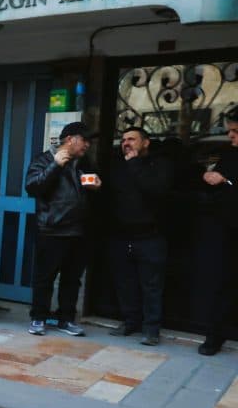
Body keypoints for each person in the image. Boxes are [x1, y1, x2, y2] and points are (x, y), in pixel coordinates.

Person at [25, 121, 99, 337]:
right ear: (70, 139)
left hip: (79, 231)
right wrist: (55, 165)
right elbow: (33, 187)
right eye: (84, 141)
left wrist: (97, 186)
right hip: (51, 229)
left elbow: (92, 189)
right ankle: (38, 318)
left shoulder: (84, 163)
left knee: (72, 279)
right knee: (44, 278)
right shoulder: (44, 159)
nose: (87, 145)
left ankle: (65, 319)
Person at [104, 127, 172, 346]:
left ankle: (151, 329)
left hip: (150, 237)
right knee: (125, 283)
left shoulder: (159, 165)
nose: (126, 143)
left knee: (152, 286)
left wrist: (134, 164)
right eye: (123, 140)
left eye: (132, 139)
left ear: (146, 142)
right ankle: (130, 321)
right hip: (121, 236)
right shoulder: (117, 167)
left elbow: (156, 190)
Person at [197, 116, 238, 355]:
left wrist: (227, 181)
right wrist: (210, 179)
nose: (231, 135)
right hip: (226, 232)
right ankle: (215, 337)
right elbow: (213, 187)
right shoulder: (229, 155)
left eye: (235, 131)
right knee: (223, 284)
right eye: (230, 130)